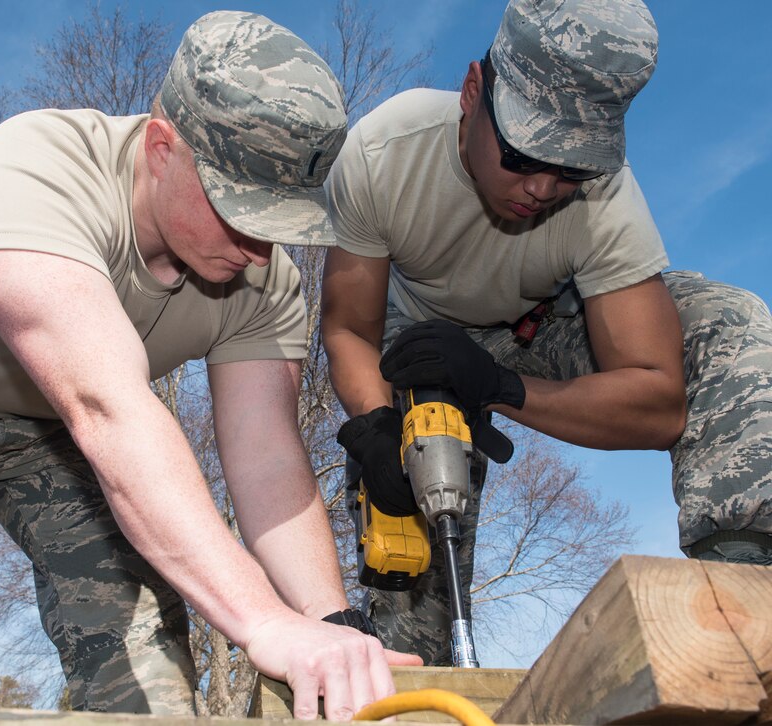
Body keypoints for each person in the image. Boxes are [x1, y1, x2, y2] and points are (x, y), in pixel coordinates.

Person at [0, 11, 420, 718]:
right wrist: (261, 620)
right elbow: (107, 407)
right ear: (163, 146)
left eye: (279, 225)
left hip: (58, 445)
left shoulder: (262, 283)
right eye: (240, 212)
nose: (258, 250)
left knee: (153, 696)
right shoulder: (34, 167)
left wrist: (327, 624)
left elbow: (268, 458)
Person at [321, 0, 772, 665]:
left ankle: (747, 609)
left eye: (572, 170)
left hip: (546, 325)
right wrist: (376, 429)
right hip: (416, 339)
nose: (540, 187)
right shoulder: (386, 151)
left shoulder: (607, 202)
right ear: (474, 92)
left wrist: (500, 387)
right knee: (415, 471)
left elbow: (659, 400)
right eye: (522, 153)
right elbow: (348, 330)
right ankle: (411, 665)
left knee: (728, 325)